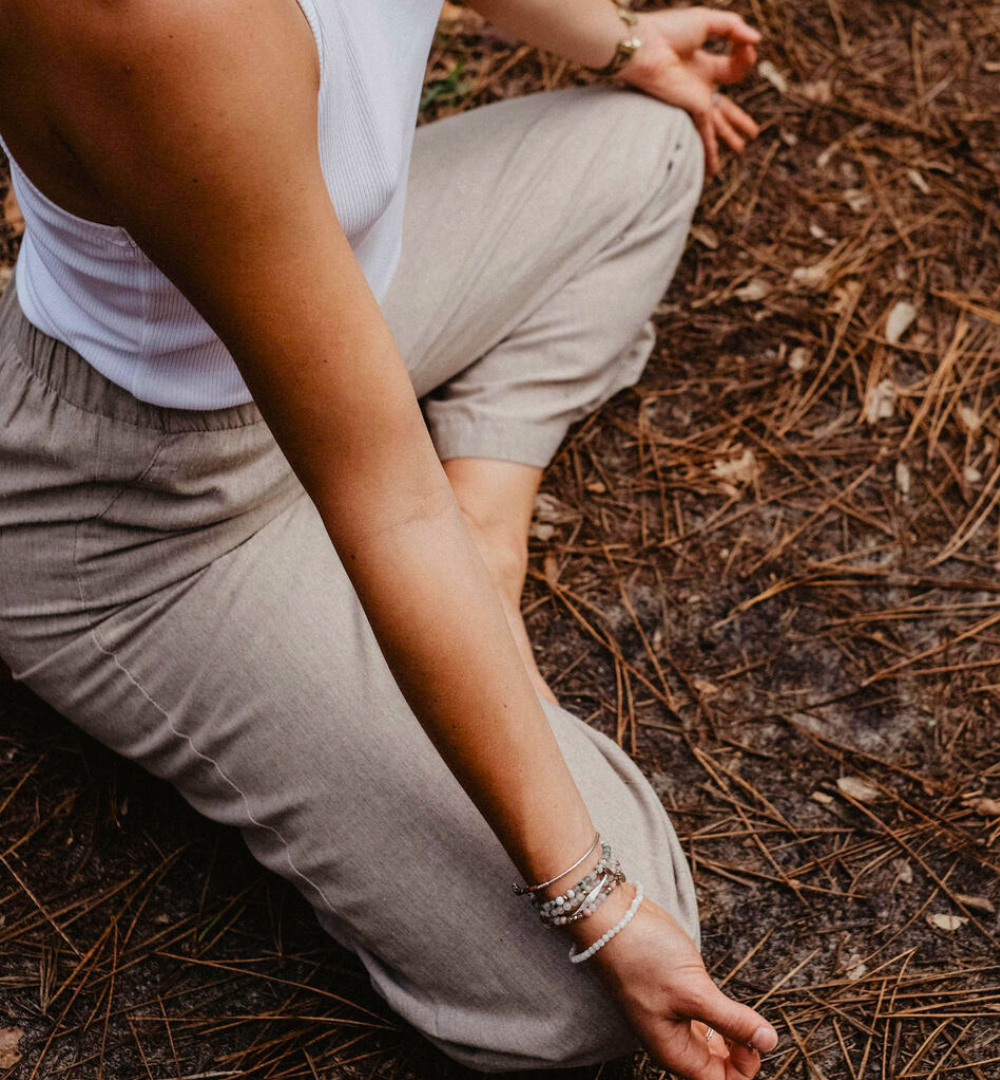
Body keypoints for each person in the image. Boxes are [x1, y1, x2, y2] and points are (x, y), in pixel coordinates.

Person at [0, 0, 775, 1075]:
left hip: (326, 300)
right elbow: (386, 499)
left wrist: (624, 41)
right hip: (148, 514)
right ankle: (398, 604)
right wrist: (590, 897)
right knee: (573, 1000)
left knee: (643, 152)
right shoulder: (164, 23)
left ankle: (484, 518)